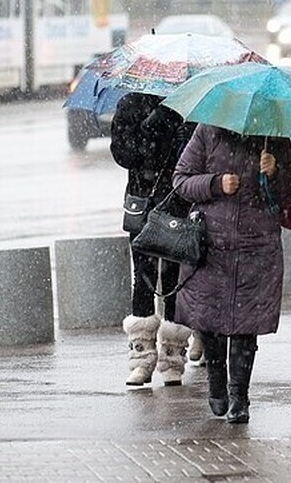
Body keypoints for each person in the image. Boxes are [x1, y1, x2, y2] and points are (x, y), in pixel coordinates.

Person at [171, 125, 291, 424]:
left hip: (257, 247)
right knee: (210, 320)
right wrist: (217, 184)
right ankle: (217, 385)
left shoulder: (274, 137)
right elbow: (181, 181)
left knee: (246, 325)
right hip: (211, 245)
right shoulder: (208, 132)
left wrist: (276, 173)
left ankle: (239, 396)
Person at [111, 93, 201, 387]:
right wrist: (150, 127)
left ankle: (173, 359)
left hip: (177, 201)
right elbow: (123, 155)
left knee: (176, 278)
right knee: (144, 278)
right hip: (142, 201)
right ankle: (141, 359)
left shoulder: (189, 104)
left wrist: (172, 124)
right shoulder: (130, 103)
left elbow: (193, 157)